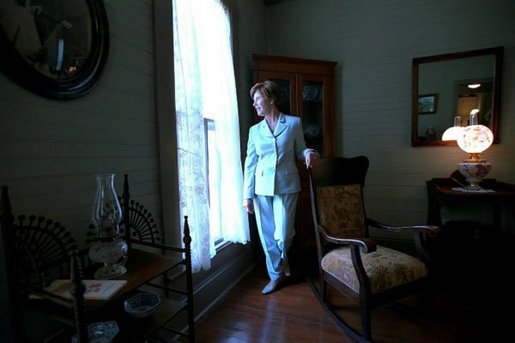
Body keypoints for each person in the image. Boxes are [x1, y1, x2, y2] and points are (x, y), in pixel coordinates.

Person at [242, 80, 319, 295]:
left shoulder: (293, 123)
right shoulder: (255, 131)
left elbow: (300, 149)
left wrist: (309, 154)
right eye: (254, 100)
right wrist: (246, 196)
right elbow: (250, 164)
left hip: (287, 185)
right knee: (267, 237)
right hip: (261, 189)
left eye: (258, 99)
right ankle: (275, 275)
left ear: (272, 99)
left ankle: (281, 266)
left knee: (283, 236)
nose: (255, 104)